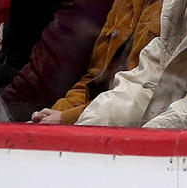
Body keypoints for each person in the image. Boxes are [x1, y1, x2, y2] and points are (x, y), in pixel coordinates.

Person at [74, 0, 187, 128]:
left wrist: (147, 137)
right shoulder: (180, 4)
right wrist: (94, 121)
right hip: (159, 120)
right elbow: (149, 78)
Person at [31, 0, 161, 124]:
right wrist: (60, 111)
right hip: (93, 113)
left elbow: (148, 94)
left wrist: (69, 117)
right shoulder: (124, 3)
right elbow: (94, 78)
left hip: (128, 120)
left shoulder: (174, 9)